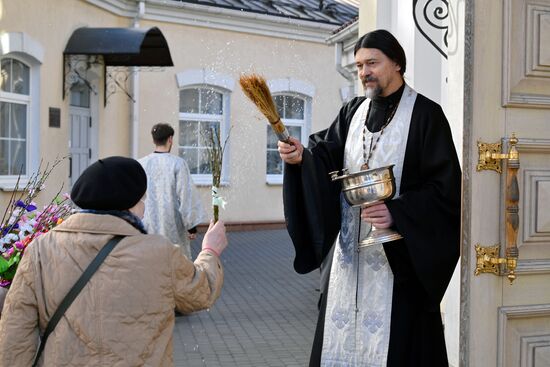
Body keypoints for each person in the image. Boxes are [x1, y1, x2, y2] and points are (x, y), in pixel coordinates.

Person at [278, 29, 461, 366]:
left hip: (400, 267)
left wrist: (398, 212)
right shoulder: (352, 112)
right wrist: (302, 158)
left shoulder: (425, 116)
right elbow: (325, 156)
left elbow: (445, 191)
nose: (364, 72)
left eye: (372, 63)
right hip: (349, 261)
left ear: (397, 64)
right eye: (359, 65)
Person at [0, 156, 227, 366]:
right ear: (130, 204)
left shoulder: (40, 250)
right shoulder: (159, 252)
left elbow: (15, 335)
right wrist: (210, 250)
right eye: (142, 200)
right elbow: (200, 292)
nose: (144, 207)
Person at [139, 123, 205, 259]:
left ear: (154, 140)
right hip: (172, 225)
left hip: (147, 224)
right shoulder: (178, 164)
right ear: (170, 139)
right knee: (175, 265)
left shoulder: (141, 163)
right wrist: (191, 226)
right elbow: (186, 195)